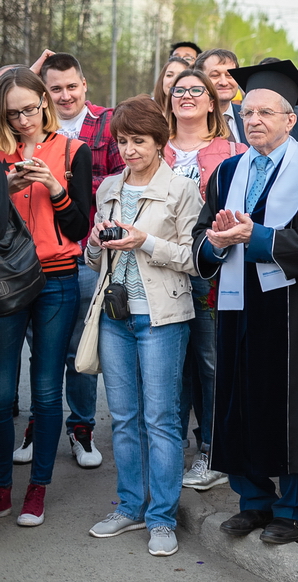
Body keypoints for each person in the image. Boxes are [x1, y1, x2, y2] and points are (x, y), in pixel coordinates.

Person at [192, 60, 298, 545]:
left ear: (290, 119)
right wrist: (216, 243)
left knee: (292, 403)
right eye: (247, 112)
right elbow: (203, 232)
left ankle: (294, 509)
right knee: (238, 398)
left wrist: (254, 236)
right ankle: (253, 501)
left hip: (294, 308)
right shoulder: (227, 172)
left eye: (265, 113)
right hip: (237, 304)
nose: (253, 120)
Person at [85, 95, 201, 556]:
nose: (129, 150)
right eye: (123, 141)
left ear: (159, 142)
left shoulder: (182, 188)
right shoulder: (109, 188)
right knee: (124, 418)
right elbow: (95, 261)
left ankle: (162, 518)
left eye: (139, 141)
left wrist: (145, 241)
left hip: (162, 317)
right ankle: (131, 506)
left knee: (161, 419)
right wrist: (96, 242)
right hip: (114, 316)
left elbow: (194, 259)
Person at [16, 52, 124, 470]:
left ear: (84, 85)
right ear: (43, 94)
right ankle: (39, 423)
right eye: (55, 88)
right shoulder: (24, 127)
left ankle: (81, 427)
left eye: (72, 86)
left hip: (86, 254)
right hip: (32, 259)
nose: (65, 95)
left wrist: (75, 191)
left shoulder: (106, 125)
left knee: (79, 351)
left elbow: (122, 181)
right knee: (40, 351)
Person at [0, 67, 91, 525]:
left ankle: (37, 488)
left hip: (57, 278)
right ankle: (3, 486)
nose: (23, 121)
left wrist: (54, 187)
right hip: (7, 280)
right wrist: (5, 189)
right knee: (2, 393)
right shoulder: (1, 153)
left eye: (29, 109)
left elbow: (78, 227)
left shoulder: (74, 150)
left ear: (44, 102)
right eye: (12, 114)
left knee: (47, 389)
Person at [162, 68, 246, 491]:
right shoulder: (154, 147)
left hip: (209, 272)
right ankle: (167, 452)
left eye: (198, 90)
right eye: (180, 89)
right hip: (160, 267)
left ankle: (213, 451)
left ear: (213, 102)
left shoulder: (233, 151)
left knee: (211, 363)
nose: (188, 95)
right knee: (170, 367)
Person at [195, 49, 244, 144]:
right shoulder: (190, 122)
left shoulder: (248, 116)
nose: (224, 82)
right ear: (199, 80)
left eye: (229, 75)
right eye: (215, 75)